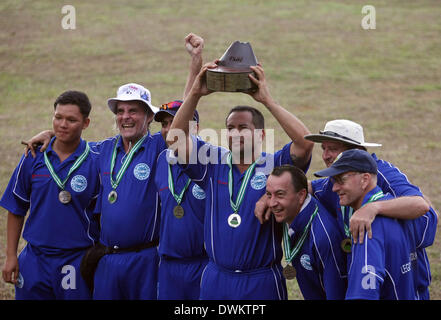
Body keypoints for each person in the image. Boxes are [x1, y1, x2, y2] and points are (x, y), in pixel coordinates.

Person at [166, 61, 314, 299]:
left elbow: (305, 143)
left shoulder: (275, 166)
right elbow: (175, 140)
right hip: (217, 277)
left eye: (243, 127)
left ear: (261, 134)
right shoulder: (212, 164)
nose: (235, 133)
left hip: (261, 279)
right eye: (230, 128)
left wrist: (268, 101)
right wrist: (195, 93)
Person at [304, 119, 438, 299]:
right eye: (324, 148)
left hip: (405, 274)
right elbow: (309, 187)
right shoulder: (338, 180)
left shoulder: (382, 173)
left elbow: (421, 205)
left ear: (356, 150)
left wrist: (373, 208)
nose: (325, 155)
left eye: (333, 149)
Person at [0, 90, 100, 299]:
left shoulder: (97, 160)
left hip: (77, 259)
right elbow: (16, 208)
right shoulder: (33, 155)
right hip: (35, 258)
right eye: (58, 117)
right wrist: (10, 256)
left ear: (86, 123)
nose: (63, 124)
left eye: (71, 120)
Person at [314, 149, 426, 300]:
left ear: (365, 179)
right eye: (334, 181)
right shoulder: (405, 212)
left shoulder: (366, 227)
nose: (334, 188)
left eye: (341, 180)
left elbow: (363, 294)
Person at [265, 165, 347, 299]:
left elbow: (337, 293)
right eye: (269, 195)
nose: (272, 203)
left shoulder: (323, 238)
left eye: (280, 194)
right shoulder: (292, 213)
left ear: (302, 195)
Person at [154, 100, 208, 300]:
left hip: (204, 263)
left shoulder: (212, 159)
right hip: (169, 265)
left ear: (196, 127)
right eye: (164, 124)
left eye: (175, 122)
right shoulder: (160, 160)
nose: (169, 129)